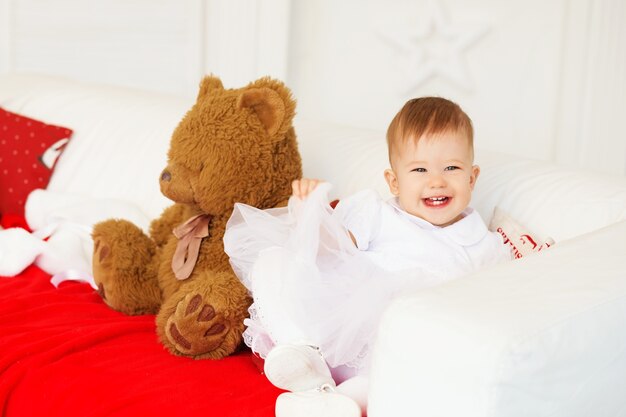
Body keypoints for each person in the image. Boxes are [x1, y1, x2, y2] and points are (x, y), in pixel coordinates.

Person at [224, 97, 512, 417]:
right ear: (394, 181)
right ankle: (300, 351)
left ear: (472, 178)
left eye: (452, 168)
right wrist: (311, 215)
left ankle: (330, 399)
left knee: (396, 366)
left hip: (399, 343)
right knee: (273, 260)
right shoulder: (376, 211)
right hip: (335, 323)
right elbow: (333, 251)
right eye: (419, 169)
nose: (436, 180)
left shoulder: (483, 243)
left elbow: (495, 300)